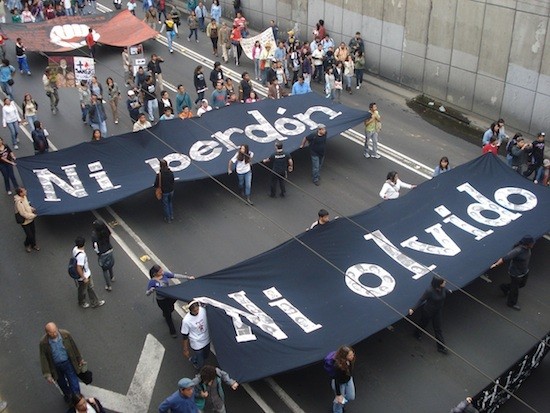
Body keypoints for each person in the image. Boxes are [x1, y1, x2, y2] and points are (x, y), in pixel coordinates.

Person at [39, 322, 84, 403]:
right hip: (55, 366)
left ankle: (77, 400)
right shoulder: (43, 343)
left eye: (56, 330)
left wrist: (79, 359)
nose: (55, 333)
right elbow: (44, 358)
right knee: (62, 383)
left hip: (67, 363)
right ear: (47, 333)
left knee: (74, 382)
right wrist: (47, 374)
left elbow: (74, 347)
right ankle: (68, 395)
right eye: (52, 333)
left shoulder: (65, 335)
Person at [146, 264, 194, 337]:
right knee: (168, 316)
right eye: (160, 272)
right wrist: (151, 290)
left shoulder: (164, 274)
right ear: (155, 274)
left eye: (162, 270)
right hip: (161, 300)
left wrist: (188, 277)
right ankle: (172, 331)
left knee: (171, 308)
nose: (162, 272)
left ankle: (166, 313)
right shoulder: (152, 282)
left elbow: (175, 275)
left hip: (169, 296)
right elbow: (147, 293)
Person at [492, 235, 535, 311]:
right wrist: (496, 264)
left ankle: (504, 287)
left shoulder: (527, 249)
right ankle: (511, 303)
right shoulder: (517, 251)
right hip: (516, 273)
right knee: (515, 290)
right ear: (527, 244)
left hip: (524, 271)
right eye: (532, 243)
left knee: (522, 284)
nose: (533, 244)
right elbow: (505, 258)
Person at [408, 275, 449, 354]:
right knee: (423, 323)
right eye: (443, 282)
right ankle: (416, 333)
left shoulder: (443, 288)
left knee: (438, 329)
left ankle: (441, 347)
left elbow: (446, 291)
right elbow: (421, 300)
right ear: (438, 284)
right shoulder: (429, 291)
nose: (445, 283)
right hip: (428, 311)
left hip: (438, 310)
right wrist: (413, 309)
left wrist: (449, 291)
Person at [73, 235, 106, 309]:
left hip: (82, 275)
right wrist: (84, 278)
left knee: (83, 289)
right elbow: (79, 267)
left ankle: (84, 301)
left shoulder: (75, 249)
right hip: (85, 275)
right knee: (89, 288)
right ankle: (93, 302)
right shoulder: (81, 255)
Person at [181, 300, 211, 370]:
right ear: (190, 310)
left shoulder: (203, 310)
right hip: (197, 342)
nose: (197, 312)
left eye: (197, 309)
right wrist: (185, 349)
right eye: (194, 311)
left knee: (206, 356)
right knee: (201, 363)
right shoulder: (186, 321)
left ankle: (195, 358)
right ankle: (197, 365)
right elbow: (185, 335)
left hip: (206, 339)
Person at [330, 345, 356, 413]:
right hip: (340, 383)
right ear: (344, 356)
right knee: (339, 401)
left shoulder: (350, 360)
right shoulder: (339, 367)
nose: (352, 356)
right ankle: (337, 410)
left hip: (348, 379)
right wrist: (339, 395)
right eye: (350, 355)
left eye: (352, 354)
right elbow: (336, 381)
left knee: (351, 396)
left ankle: (340, 402)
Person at [91, 220, 115, 291]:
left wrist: (98, 253)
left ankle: (108, 285)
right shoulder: (106, 231)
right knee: (110, 264)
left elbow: (95, 246)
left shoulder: (94, 235)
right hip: (109, 249)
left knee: (104, 269)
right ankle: (112, 277)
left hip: (102, 253)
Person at [14, 186, 39, 252]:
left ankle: (33, 245)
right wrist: (33, 215)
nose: (26, 191)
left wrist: (31, 209)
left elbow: (27, 205)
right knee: (29, 235)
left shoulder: (24, 197)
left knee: (33, 232)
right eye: (24, 191)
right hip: (25, 221)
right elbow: (23, 213)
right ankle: (27, 244)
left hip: (30, 219)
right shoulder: (19, 202)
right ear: (20, 193)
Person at [155, 159, 175, 223]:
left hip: (164, 192)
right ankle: (171, 215)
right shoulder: (170, 173)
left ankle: (168, 217)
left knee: (165, 204)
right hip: (171, 190)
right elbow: (172, 181)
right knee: (170, 202)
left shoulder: (160, 175)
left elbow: (156, 184)